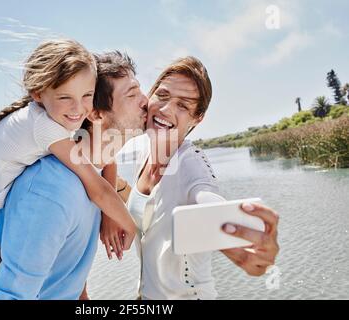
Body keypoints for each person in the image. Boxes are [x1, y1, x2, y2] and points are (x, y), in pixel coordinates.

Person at [0, 40, 137, 299]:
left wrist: (109, 213)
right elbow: (95, 186)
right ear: (38, 93)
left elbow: (103, 162)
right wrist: (129, 223)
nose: (78, 108)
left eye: (87, 96)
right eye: (65, 97)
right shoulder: (48, 131)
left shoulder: (55, 117)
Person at [100, 56, 280, 300]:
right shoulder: (144, 147)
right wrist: (109, 207)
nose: (166, 110)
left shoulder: (191, 163)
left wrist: (240, 240)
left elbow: (206, 197)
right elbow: (108, 156)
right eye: (162, 96)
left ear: (197, 118)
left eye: (183, 106)